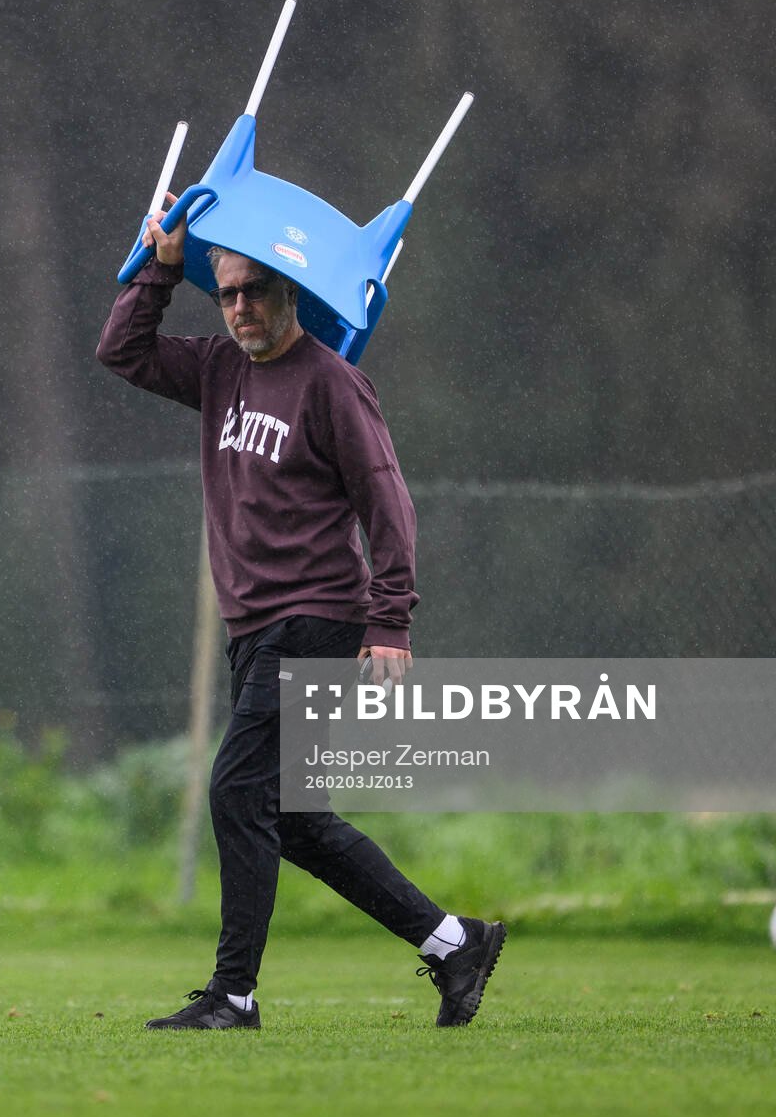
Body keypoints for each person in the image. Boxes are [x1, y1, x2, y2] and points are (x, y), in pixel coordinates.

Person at [95, 197, 505, 1030]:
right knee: (293, 816)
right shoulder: (218, 368)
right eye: (229, 293)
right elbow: (121, 351)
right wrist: (163, 268)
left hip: (317, 619)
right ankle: (455, 943)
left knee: (236, 789)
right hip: (254, 629)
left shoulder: (333, 383)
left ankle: (233, 995)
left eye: (255, 291)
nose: (240, 307)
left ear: (290, 292)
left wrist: (392, 622)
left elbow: (389, 505)